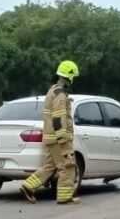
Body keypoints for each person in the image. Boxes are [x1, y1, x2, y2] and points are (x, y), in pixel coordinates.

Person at [20, 60, 80, 205]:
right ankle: (65, 197)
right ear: (69, 77)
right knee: (67, 166)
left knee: (50, 166)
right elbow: (59, 118)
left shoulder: (52, 90)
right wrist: (63, 139)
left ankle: (28, 186)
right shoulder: (60, 95)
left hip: (50, 137)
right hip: (59, 138)